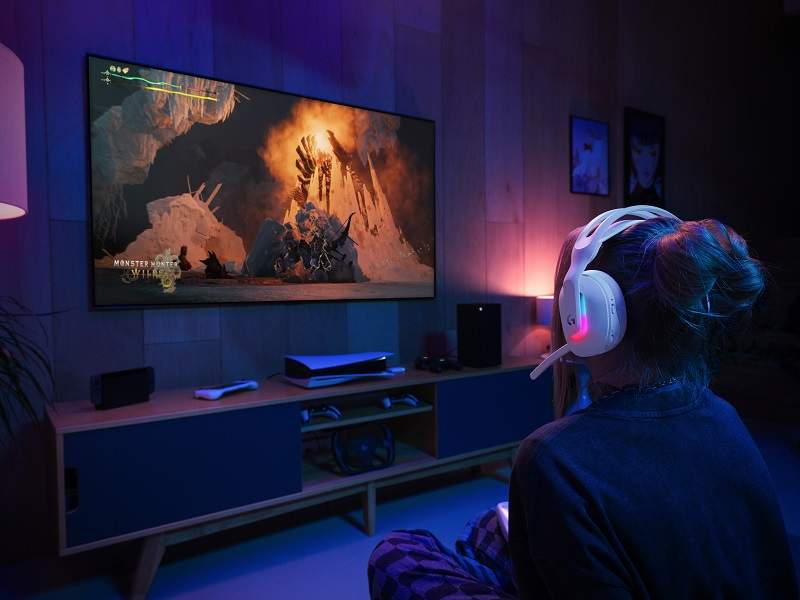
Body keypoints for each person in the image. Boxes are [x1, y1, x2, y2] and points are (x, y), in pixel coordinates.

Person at [368, 209, 798, 599]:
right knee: (491, 524)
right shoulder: (722, 414)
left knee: (395, 552)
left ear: (589, 319)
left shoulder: (554, 457)